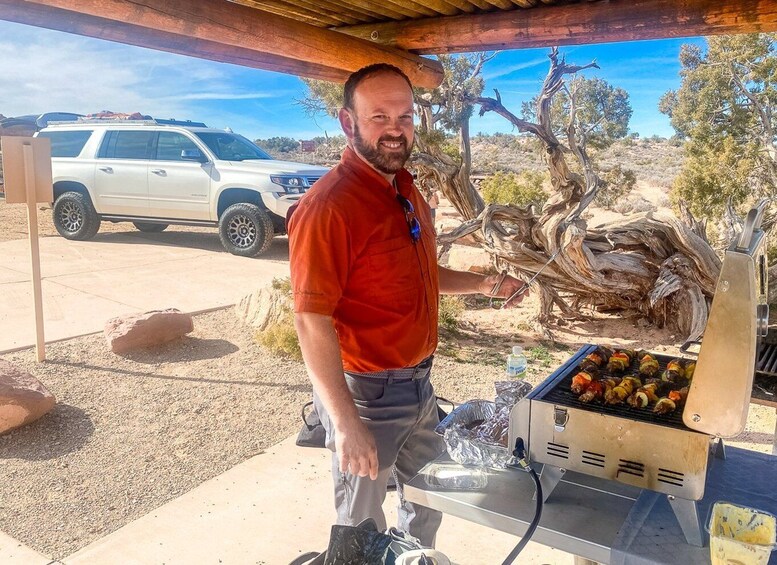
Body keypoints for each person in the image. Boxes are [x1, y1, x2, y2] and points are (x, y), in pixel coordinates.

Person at [287, 63, 528, 547]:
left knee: (428, 500)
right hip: (367, 398)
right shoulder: (329, 207)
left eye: (405, 116)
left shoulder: (405, 190)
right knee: (361, 528)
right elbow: (311, 321)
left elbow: (418, 277)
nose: (395, 128)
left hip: (419, 387)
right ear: (347, 122)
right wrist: (345, 422)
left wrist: (485, 284)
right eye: (379, 116)